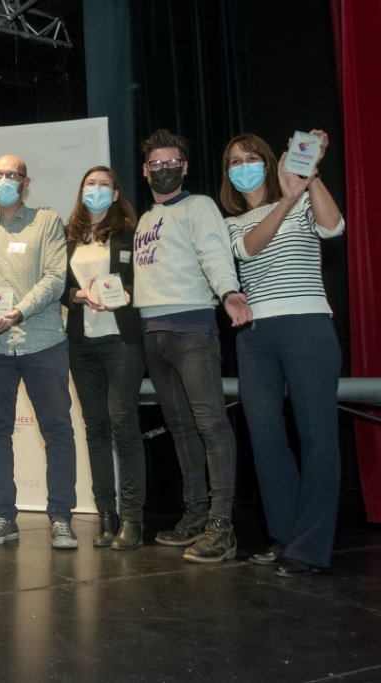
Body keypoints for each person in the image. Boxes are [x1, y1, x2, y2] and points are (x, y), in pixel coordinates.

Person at [219, 130, 344, 577]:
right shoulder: (229, 222)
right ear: (228, 173)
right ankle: (286, 537)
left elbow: (334, 228)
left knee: (316, 435)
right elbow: (248, 250)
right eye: (235, 161)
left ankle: (309, 548)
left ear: (271, 162)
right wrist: (286, 203)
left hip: (307, 324)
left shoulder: (304, 195)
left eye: (252, 157)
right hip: (254, 335)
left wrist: (309, 176)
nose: (244, 165)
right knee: (267, 437)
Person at [132, 128, 252, 563]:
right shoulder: (145, 220)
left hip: (192, 329)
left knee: (211, 425)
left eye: (171, 163)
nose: (163, 169)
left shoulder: (199, 207)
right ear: (145, 171)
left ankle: (223, 525)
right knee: (180, 429)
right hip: (153, 333)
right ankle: (196, 513)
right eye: (155, 164)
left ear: (183, 167)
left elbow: (214, 253)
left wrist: (229, 292)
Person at [0, 154, 80, 550]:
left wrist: (17, 312)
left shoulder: (47, 221)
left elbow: (55, 278)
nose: (4, 180)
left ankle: (61, 518)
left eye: (12, 175)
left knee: (57, 431)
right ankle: (3, 517)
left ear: (25, 182)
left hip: (43, 341)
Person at [61, 166, 146, 550]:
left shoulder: (132, 230)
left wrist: (123, 290)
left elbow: (147, 277)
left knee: (123, 424)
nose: (96, 190)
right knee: (95, 427)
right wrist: (79, 295)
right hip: (82, 343)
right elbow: (59, 287)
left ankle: (133, 518)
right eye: (89, 185)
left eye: (104, 185)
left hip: (121, 340)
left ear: (115, 194)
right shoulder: (68, 236)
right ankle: (106, 516)